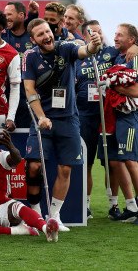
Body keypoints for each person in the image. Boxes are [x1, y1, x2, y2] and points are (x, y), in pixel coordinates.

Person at [22, 18, 103, 230]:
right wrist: (41, 116)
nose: (46, 37)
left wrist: (94, 43)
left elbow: (87, 51)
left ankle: (54, 216)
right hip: (42, 118)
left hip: (68, 119)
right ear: (33, 39)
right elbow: (29, 90)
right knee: (33, 166)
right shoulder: (29, 57)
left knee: (65, 168)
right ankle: (36, 215)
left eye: (47, 32)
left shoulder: (66, 47)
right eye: (40, 35)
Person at [74, 20, 119, 218]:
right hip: (85, 117)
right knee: (87, 163)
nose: (98, 35)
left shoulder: (111, 52)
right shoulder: (78, 57)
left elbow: (129, 47)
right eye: (93, 32)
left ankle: (114, 205)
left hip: (108, 115)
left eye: (100, 32)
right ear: (85, 36)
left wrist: (135, 46)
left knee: (111, 163)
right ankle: (86, 205)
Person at [104, 23, 138, 223]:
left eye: (119, 35)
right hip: (116, 116)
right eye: (114, 34)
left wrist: (112, 87)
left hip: (129, 116)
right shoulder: (118, 57)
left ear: (131, 40)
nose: (115, 38)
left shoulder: (134, 58)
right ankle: (132, 207)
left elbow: (136, 91)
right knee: (120, 161)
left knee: (131, 161)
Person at [2, 1, 37, 129]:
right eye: (4, 14)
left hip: (28, 98)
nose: (6, 17)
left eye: (9, 14)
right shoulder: (2, 35)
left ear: (21, 15)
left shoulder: (33, 36)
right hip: (5, 98)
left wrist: (33, 15)